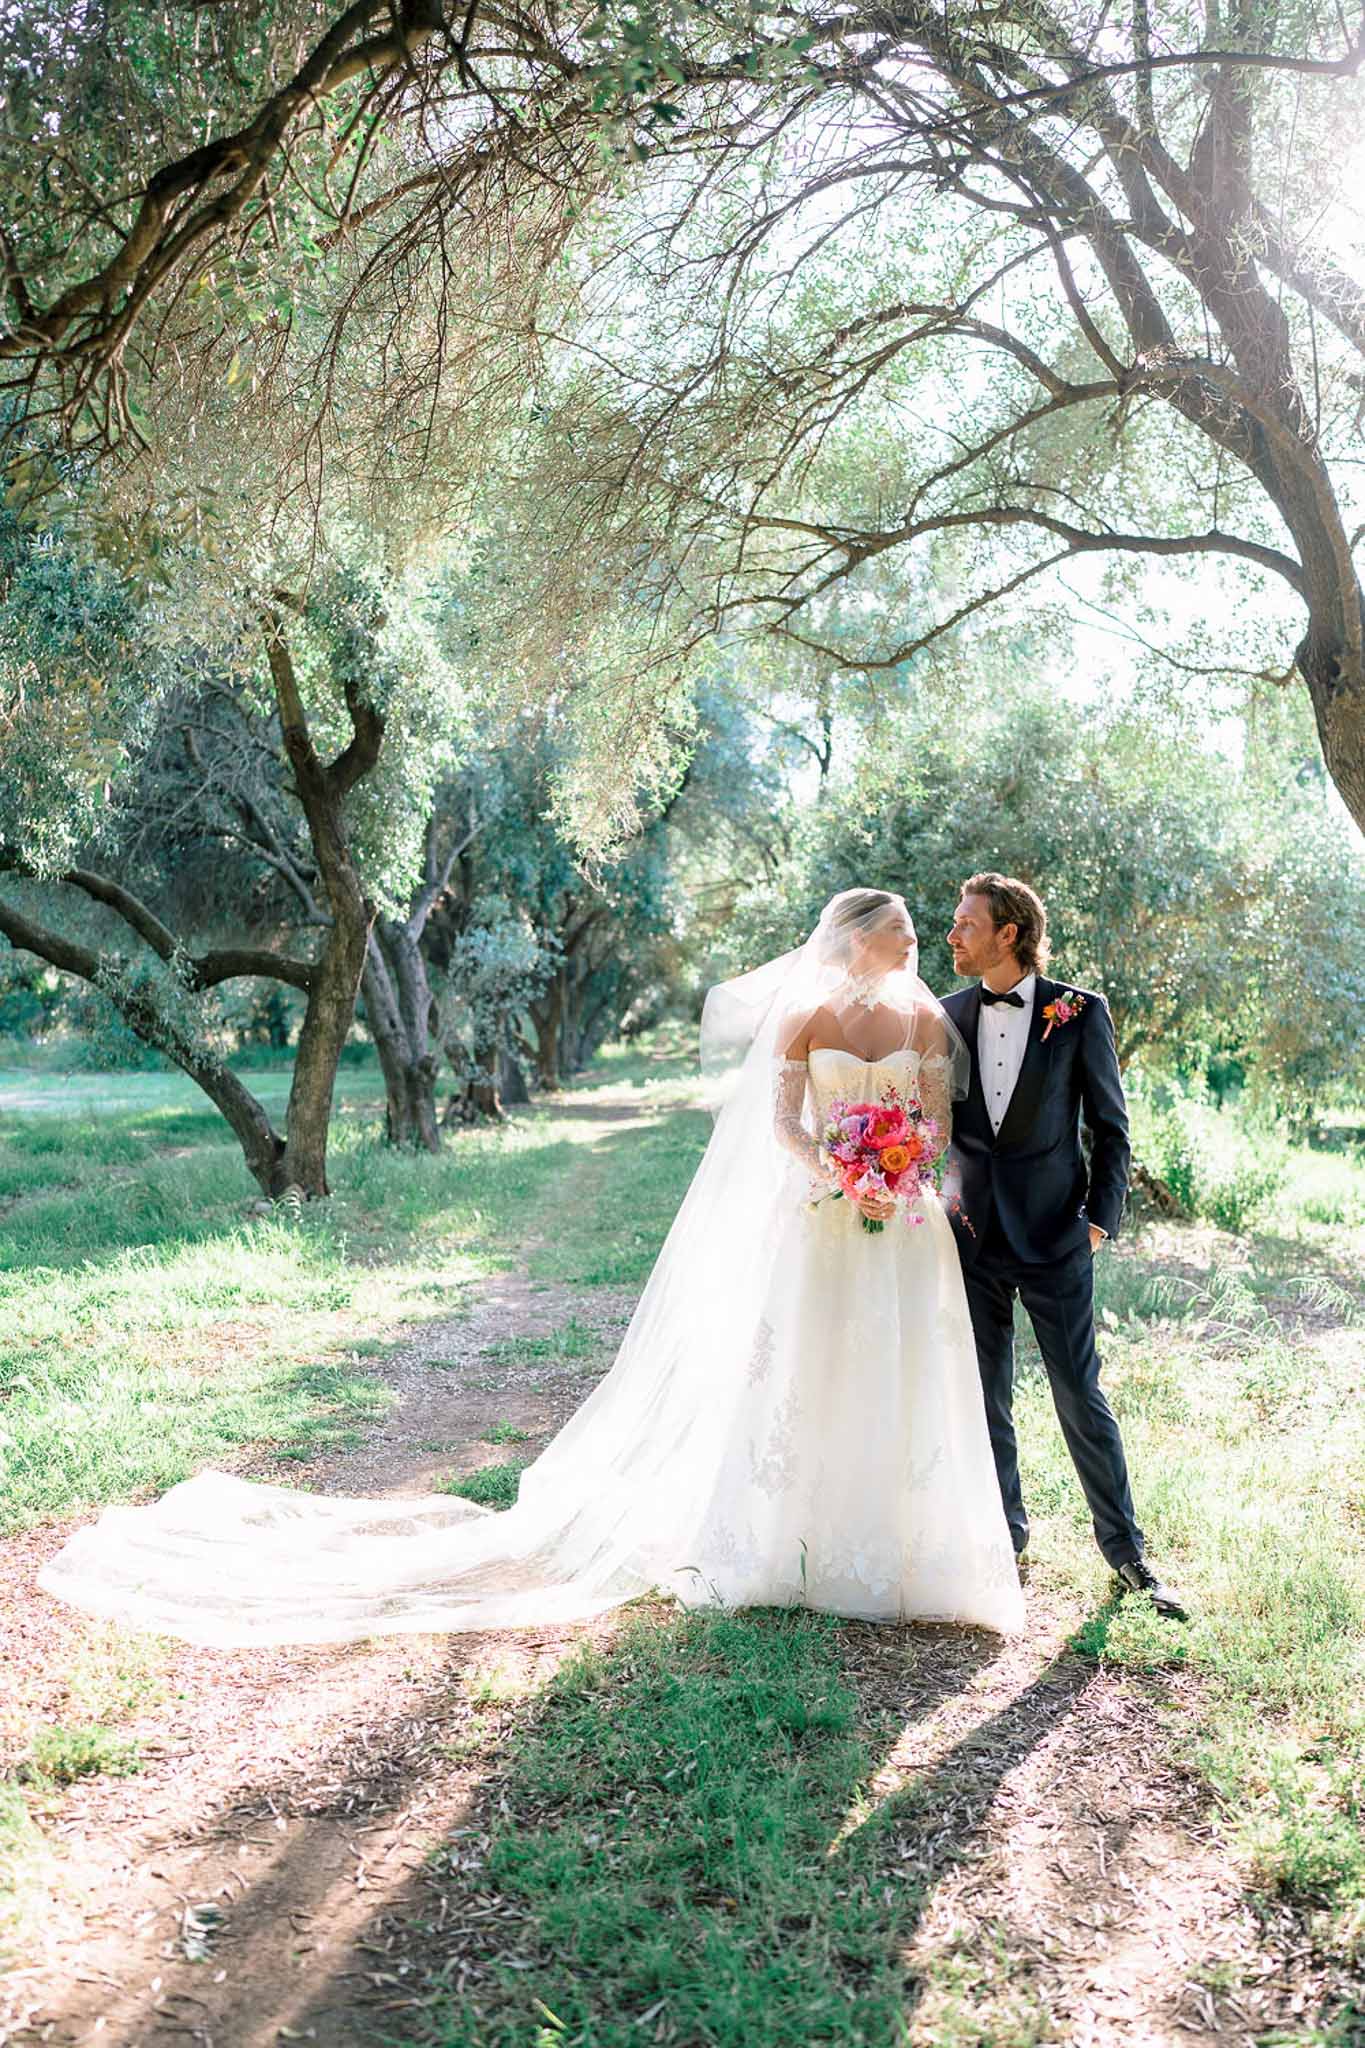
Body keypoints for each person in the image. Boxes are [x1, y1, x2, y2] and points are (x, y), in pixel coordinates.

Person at [39, 889, 1024, 1646]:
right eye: (899, 931)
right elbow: (778, 1123)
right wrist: (837, 1171)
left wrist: (900, 1175)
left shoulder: (928, 1023)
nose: (913, 943)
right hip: (821, 1213)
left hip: (902, 1221)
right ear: (858, 938)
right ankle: (790, 1546)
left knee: (897, 1370)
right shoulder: (807, 1017)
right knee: (806, 1371)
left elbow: (936, 1119)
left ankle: (903, 1548)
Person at [940, 871, 1187, 1620]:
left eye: (965, 924)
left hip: (1055, 1238)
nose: (951, 935)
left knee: (1079, 1392)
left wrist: (1098, 1220)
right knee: (983, 1396)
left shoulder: (1080, 1012)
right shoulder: (944, 1015)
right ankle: (1004, 1541)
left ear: (1008, 932)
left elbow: (1109, 1128)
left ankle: (1126, 1553)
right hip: (970, 1238)